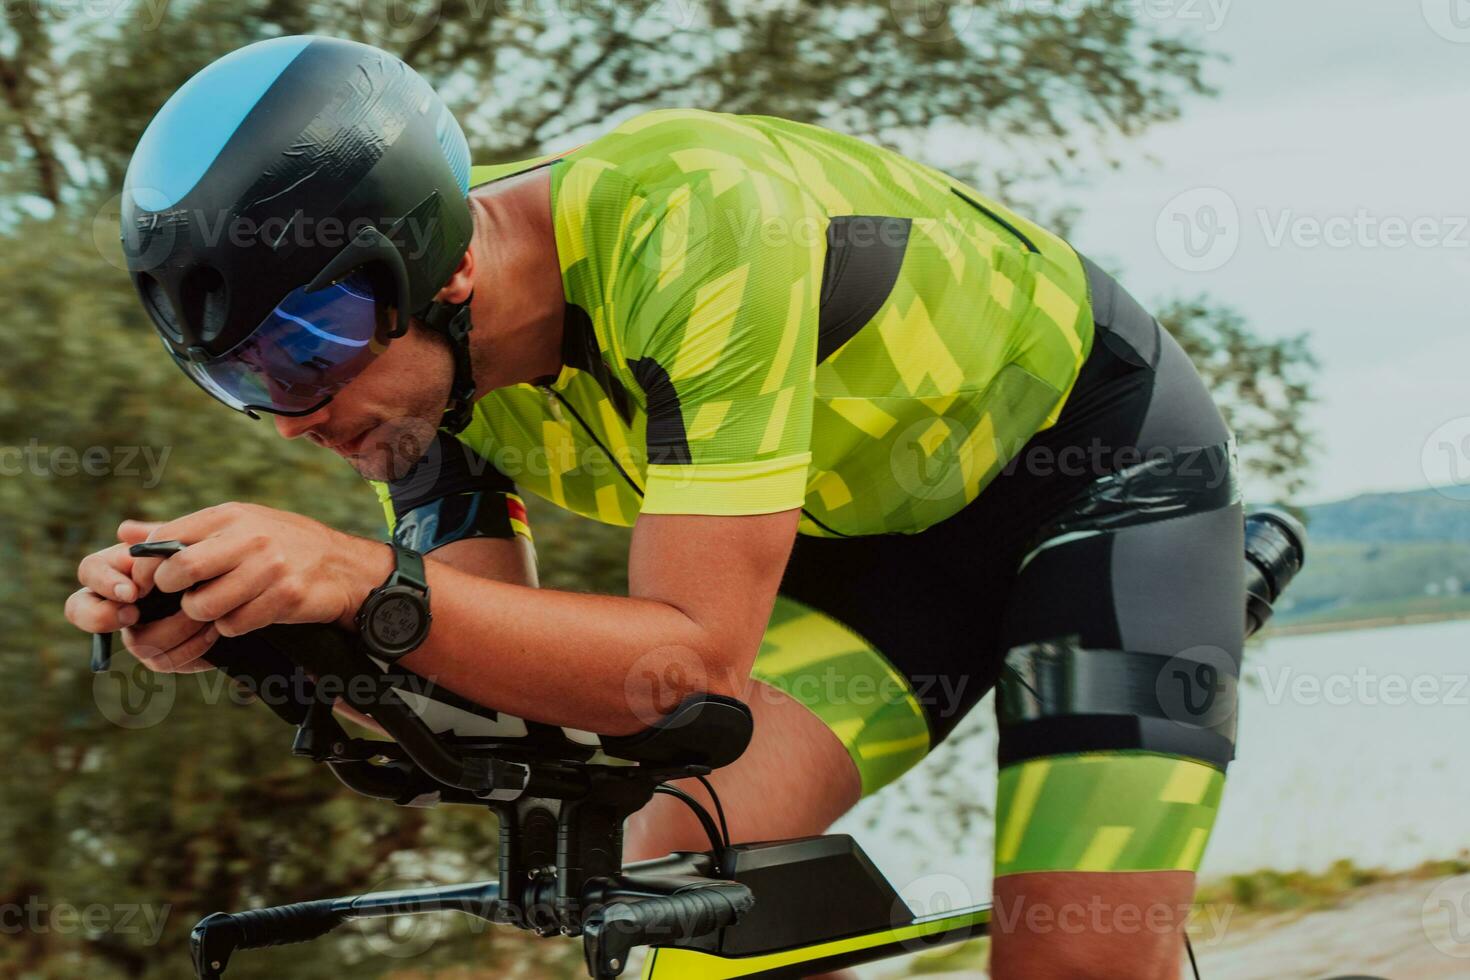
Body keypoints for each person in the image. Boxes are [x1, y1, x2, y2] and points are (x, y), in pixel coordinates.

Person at [66, 35, 1244, 979]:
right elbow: (480, 689)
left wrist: (352, 572)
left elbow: (689, 672)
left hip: (1098, 477)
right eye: (241, 375)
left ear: (445, 264)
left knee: (1074, 957)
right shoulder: (417, 392)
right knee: (687, 879)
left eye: (304, 345)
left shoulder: (693, 226)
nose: (291, 413)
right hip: (870, 544)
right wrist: (278, 636)